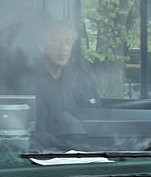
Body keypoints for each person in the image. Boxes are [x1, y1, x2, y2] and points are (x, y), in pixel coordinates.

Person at [27, 18, 98, 150]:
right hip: (43, 157)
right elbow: (30, 135)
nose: (63, 47)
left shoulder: (81, 82)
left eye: (68, 42)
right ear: (41, 46)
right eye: (56, 41)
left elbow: (93, 124)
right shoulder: (28, 84)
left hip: (82, 154)